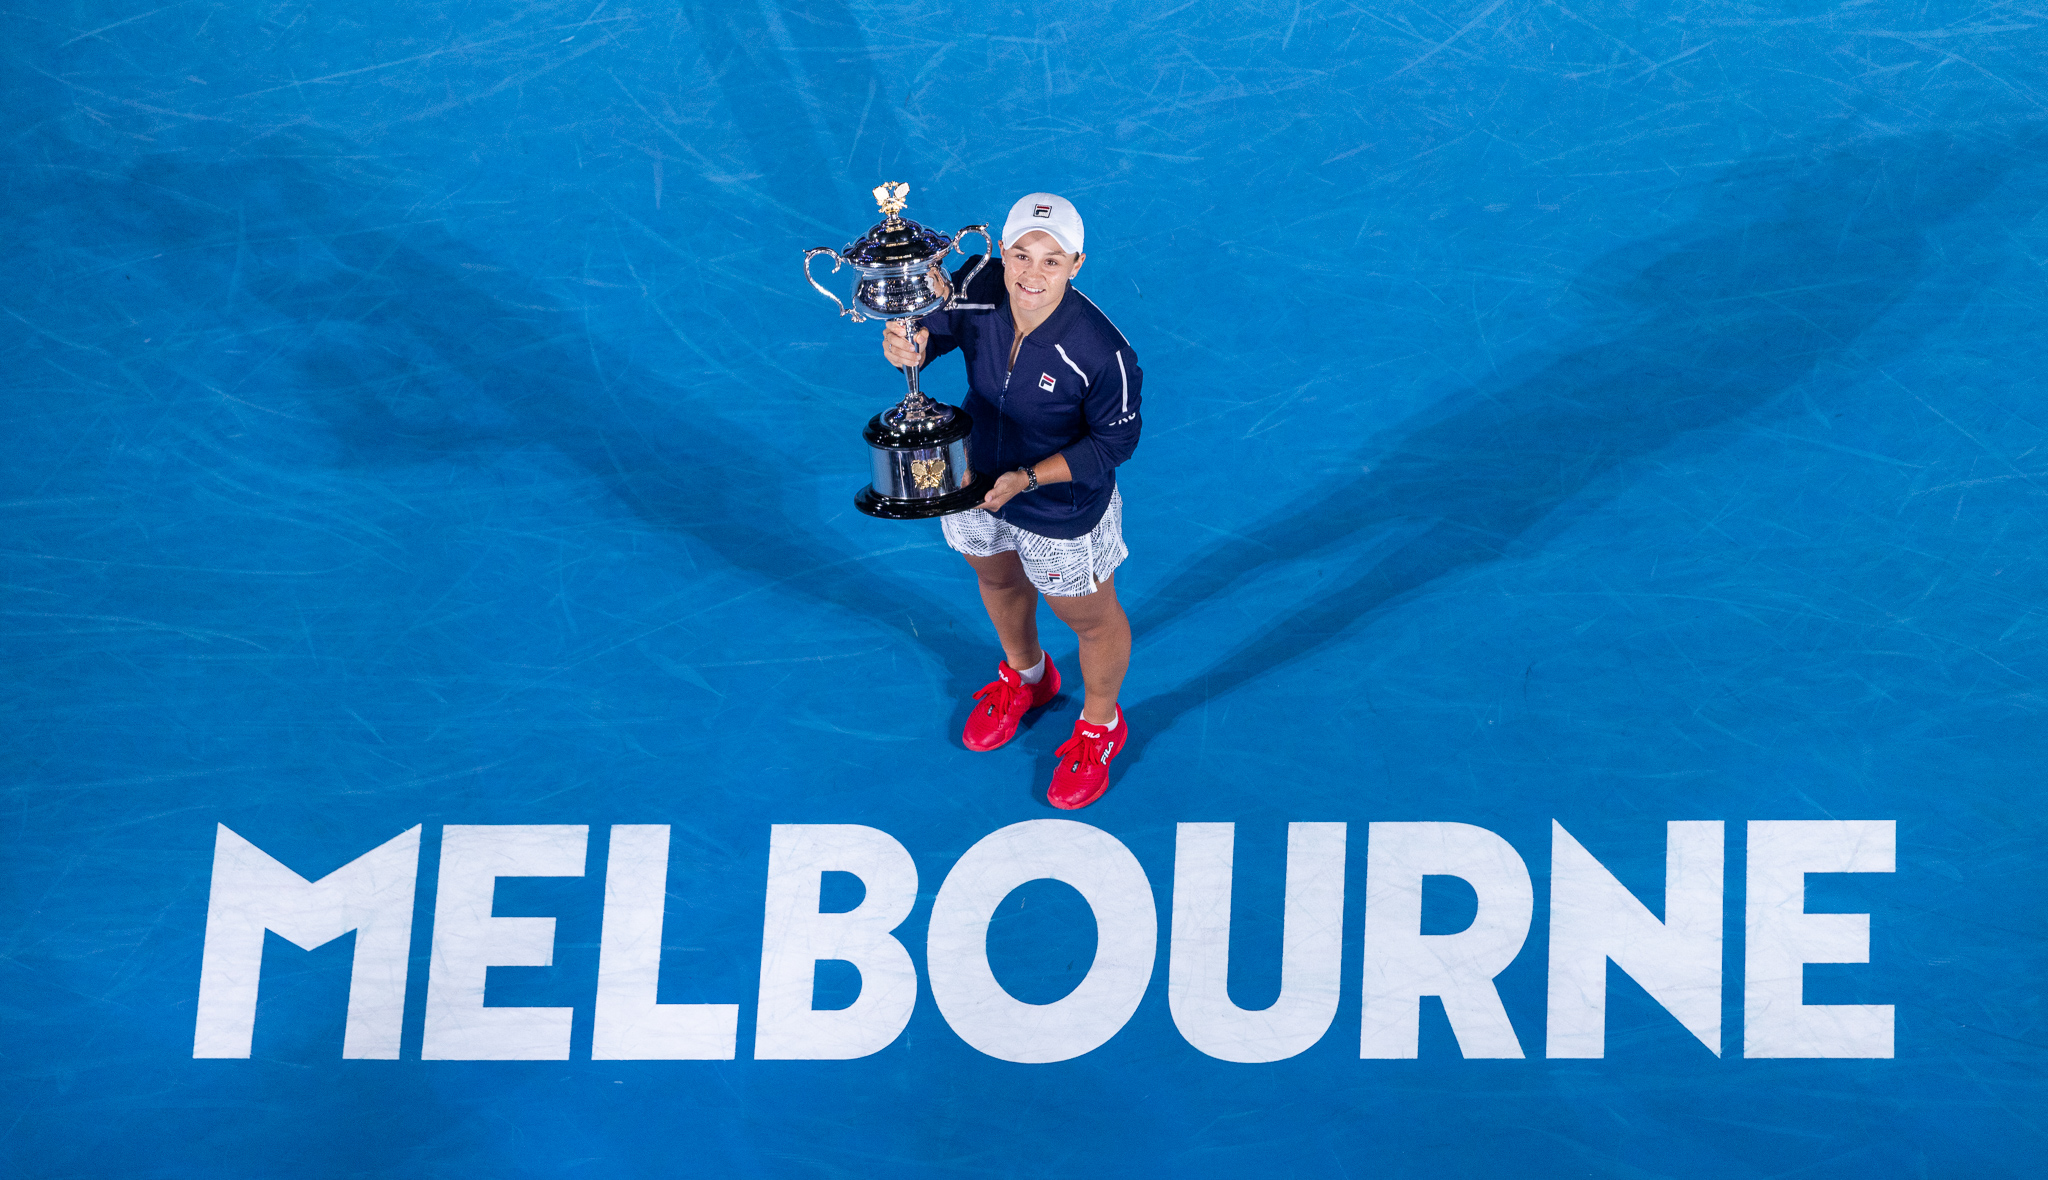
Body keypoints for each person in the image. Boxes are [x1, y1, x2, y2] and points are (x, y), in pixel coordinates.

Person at [882, 192, 1143, 810]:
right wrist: (907, 344)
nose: (1031, 274)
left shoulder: (1104, 354)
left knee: (1089, 619)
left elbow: (1115, 442)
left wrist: (1027, 479)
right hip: (971, 478)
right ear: (1001, 251)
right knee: (997, 580)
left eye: (1051, 262)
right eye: (1021, 255)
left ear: (1077, 264)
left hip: (1059, 506)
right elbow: (932, 331)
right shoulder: (975, 283)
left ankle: (1101, 726)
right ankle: (1029, 676)